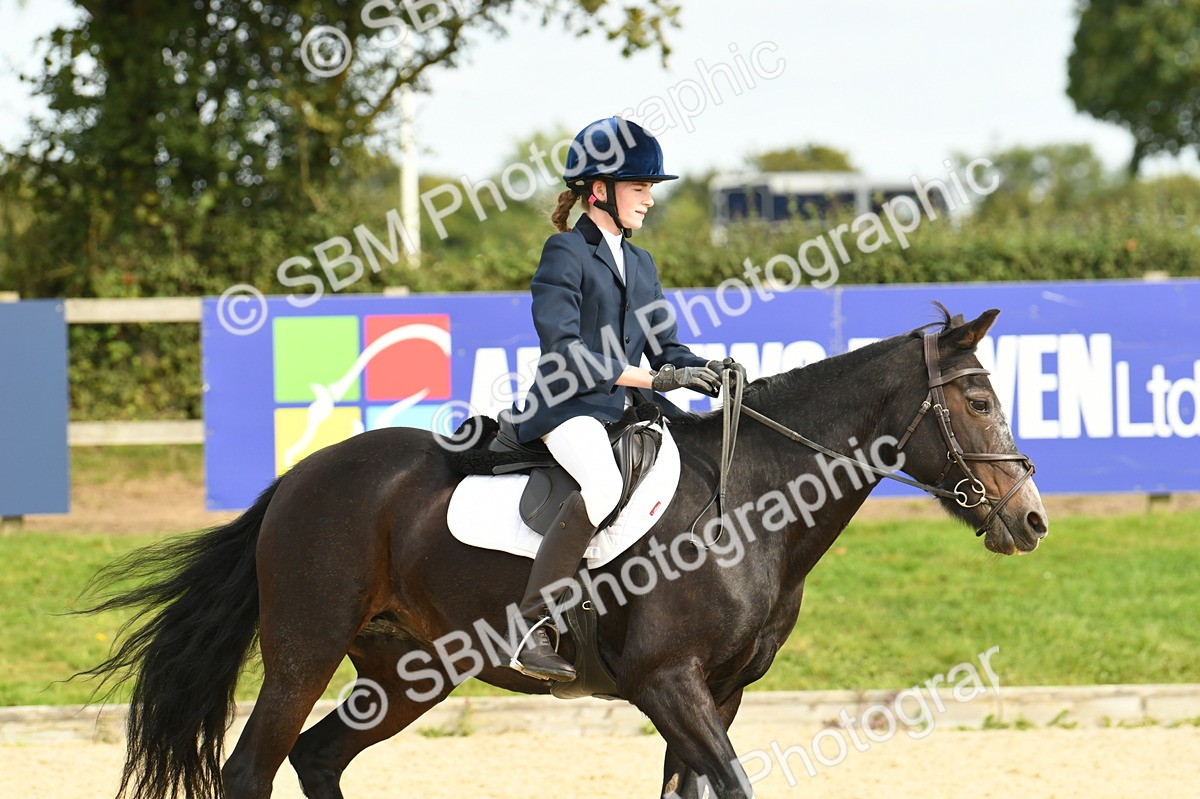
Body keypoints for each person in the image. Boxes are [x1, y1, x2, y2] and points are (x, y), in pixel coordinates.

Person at [507, 117, 742, 681]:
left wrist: (702, 368)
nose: (650, 199)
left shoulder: (640, 262)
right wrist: (651, 381)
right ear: (599, 190)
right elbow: (564, 350)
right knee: (603, 485)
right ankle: (530, 627)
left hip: (626, 409)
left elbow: (666, 346)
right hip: (568, 406)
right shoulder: (564, 252)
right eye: (640, 187)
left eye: (650, 188)